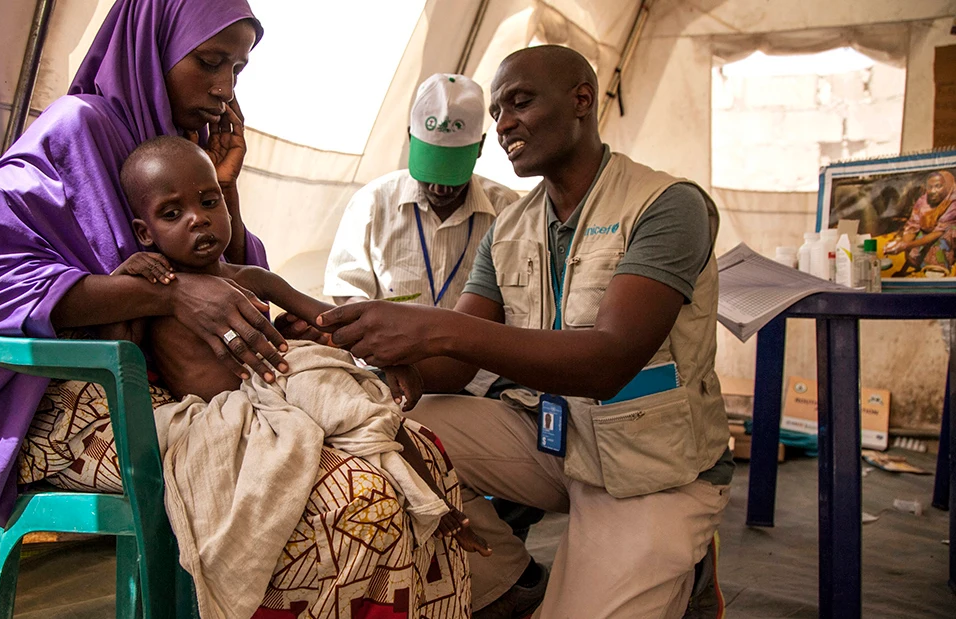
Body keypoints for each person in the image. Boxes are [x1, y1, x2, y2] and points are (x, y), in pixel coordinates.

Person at [0, 1, 471, 615]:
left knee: (415, 452)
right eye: (210, 62)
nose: (224, 89)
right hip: (78, 399)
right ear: (151, 48)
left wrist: (228, 185)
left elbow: (231, 272)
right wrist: (167, 292)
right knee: (348, 498)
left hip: (195, 392)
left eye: (238, 70)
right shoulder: (76, 128)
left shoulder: (176, 147)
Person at [315, 45, 733, 618]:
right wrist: (369, 354)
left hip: (649, 466)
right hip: (552, 440)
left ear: (582, 100)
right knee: (387, 431)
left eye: (520, 102)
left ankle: (678, 559)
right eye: (497, 112)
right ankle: (508, 582)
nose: (504, 123)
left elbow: (607, 362)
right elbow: (455, 367)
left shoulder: (665, 205)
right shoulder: (511, 224)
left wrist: (434, 329)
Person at [114, 134, 490, 556]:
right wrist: (123, 280)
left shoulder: (252, 278)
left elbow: (329, 318)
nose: (197, 219)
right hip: (228, 410)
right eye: (172, 213)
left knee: (369, 402)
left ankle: (435, 505)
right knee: (348, 407)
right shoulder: (152, 296)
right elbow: (116, 348)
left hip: (283, 384)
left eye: (209, 202)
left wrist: (390, 356)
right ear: (144, 233)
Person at [323, 72, 519, 397]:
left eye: (452, 173)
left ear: (480, 147)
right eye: (431, 171)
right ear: (411, 137)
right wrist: (376, 338)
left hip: (480, 382)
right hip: (386, 372)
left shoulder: (509, 212)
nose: (441, 187)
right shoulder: (374, 202)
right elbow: (346, 289)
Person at [885, 170, 956, 276]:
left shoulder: (953, 203)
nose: (933, 191)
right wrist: (903, 243)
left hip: (944, 234)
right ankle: (919, 263)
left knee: (948, 234)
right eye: (930, 187)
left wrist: (907, 245)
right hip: (929, 235)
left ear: (947, 186)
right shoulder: (923, 201)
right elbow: (912, 225)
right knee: (913, 245)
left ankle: (938, 269)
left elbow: (939, 232)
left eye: (938, 186)